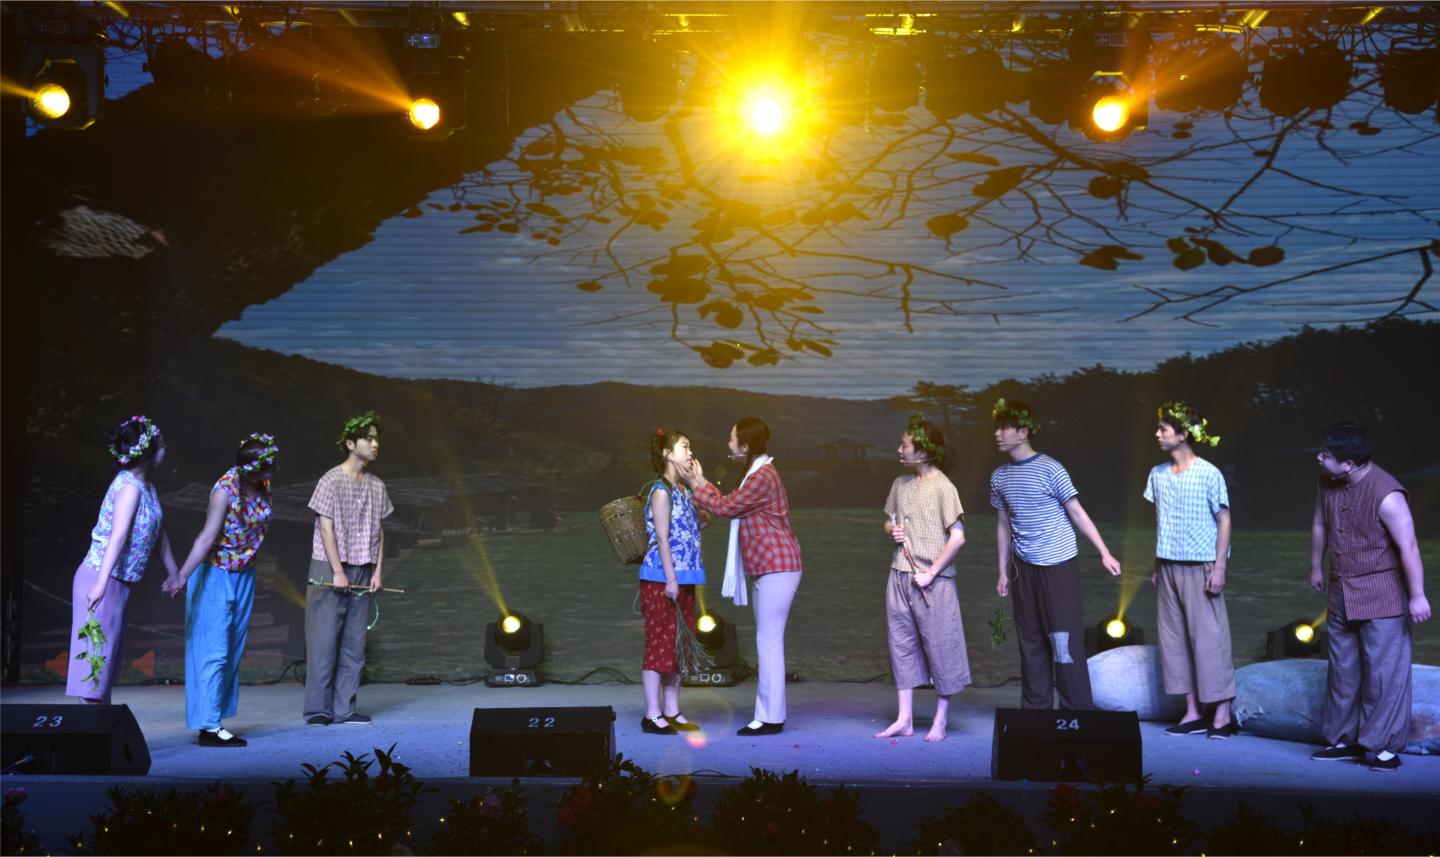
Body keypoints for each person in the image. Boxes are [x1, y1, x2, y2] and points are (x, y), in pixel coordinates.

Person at [1308, 422, 1430, 771]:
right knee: (1342, 671)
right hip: (1341, 592)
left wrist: (1417, 595)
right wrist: (1315, 566)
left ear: (1349, 464)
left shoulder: (1387, 494)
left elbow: (1409, 546)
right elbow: (1320, 523)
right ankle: (1343, 739)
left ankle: (1383, 747)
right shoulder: (1327, 482)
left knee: (1383, 674)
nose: (1319, 458)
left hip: (1382, 595)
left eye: (1326, 455)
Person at [990, 398, 1122, 710]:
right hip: (1023, 568)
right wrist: (1002, 570)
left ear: (1023, 432)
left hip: (1057, 564)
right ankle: (1035, 709)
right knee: (1030, 639)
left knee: (1063, 639)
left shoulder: (1051, 469)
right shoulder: (999, 476)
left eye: (1005, 428)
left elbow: (1077, 512)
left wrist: (1104, 552)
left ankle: (1076, 709)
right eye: (997, 427)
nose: (997, 433)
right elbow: (1003, 524)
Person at [681, 417, 802, 736]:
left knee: (768, 639)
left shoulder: (763, 475)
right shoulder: (755, 473)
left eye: (732, 438)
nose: (729, 442)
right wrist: (700, 482)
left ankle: (770, 717)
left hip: (778, 564)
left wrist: (696, 483)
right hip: (768, 566)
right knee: (768, 638)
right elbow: (727, 502)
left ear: (746, 445)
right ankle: (770, 715)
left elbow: (726, 508)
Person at [163, 434, 278, 747]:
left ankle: (212, 717)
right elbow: (205, 538)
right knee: (214, 649)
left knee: (233, 648)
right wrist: (182, 575)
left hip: (243, 574)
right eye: (268, 465)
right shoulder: (224, 491)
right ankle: (210, 726)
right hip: (215, 573)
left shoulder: (263, 485)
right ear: (251, 470)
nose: (274, 469)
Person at [68, 415, 180, 704]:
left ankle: (98, 728)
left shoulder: (147, 488)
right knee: (94, 669)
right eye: (162, 445)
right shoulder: (129, 489)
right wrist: (101, 584)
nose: (165, 449)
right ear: (147, 453)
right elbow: (117, 538)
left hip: (118, 583)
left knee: (105, 665)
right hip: (101, 578)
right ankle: (89, 729)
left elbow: (158, 532)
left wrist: (174, 572)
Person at [1145, 403, 1237, 739]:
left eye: (1164, 429)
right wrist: (1158, 566)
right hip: (1169, 565)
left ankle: (1223, 714)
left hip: (1202, 565)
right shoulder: (1157, 474)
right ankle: (1193, 711)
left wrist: (1219, 566)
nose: (1157, 434)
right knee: (1174, 639)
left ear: (1183, 434)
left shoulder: (1208, 473)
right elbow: (1163, 522)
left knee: (1210, 638)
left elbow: (1224, 519)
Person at [877, 415, 970, 742]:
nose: (899, 449)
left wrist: (931, 573)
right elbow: (889, 521)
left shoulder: (944, 487)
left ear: (923, 451)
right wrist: (892, 530)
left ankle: (940, 720)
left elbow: (957, 536)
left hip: (934, 581)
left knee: (941, 646)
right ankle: (904, 719)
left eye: (904, 444)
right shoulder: (900, 484)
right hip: (899, 575)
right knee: (901, 644)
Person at [303, 411, 393, 727]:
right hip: (329, 568)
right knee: (323, 642)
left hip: (363, 567)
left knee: (355, 643)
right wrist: (337, 571)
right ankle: (318, 709)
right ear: (351, 443)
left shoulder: (377, 485)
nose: (375, 444)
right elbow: (325, 527)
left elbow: (380, 532)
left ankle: (345, 708)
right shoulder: (330, 480)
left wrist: (378, 572)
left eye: (376, 439)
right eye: (368, 438)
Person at [637, 428, 706, 735]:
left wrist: (698, 482)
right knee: (659, 644)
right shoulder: (661, 491)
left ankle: (672, 710)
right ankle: (652, 714)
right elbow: (663, 538)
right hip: (663, 579)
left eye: (690, 447)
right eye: (684, 447)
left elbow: (705, 520)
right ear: (667, 453)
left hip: (686, 576)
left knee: (678, 645)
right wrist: (670, 579)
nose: (690, 453)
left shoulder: (684, 490)